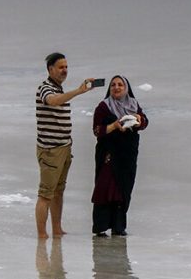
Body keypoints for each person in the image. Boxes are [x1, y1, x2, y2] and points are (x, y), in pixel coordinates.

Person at [35, 52, 96, 239]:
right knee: (46, 194)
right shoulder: (45, 88)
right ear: (50, 69)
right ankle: (42, 234)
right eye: (61, 67)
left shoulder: (58, 89)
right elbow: (52, 101)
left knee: (58, 191)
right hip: (50, 150)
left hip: (64, 147)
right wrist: (78, 91)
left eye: (66, 67)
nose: (65, 70)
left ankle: (57, 228)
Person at [90, 75, 148, 236]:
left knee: (123, 190)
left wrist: (139, 119)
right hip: (108, 155)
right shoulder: (103, 107)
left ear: (126, 88)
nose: (116, 87)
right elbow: (97, 130)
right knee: (105, 188)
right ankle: (101, 226)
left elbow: (145, 123)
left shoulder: (134, 104)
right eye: (113, 85)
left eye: (120, 85)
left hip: (127, 157)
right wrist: (115, 126)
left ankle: (119, 227)